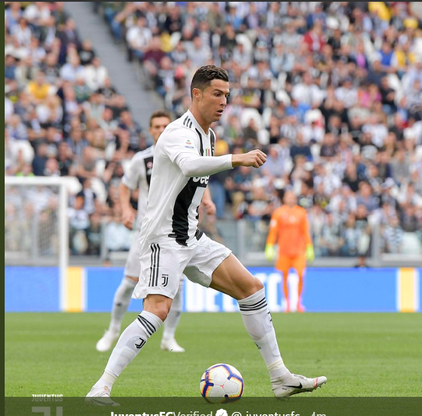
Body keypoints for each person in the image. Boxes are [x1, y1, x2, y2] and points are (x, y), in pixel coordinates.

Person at [86, 65, 326, 405]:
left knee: (252, 289)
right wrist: (236, 159)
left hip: (191, 237)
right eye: (217, 93)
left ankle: (280, 377)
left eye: (227, 95)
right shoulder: (176, 132)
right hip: (163, 238)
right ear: (195, 94)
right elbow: (189, 166)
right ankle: (101, 387)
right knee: (157, 309)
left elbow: (192, 185)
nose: (224, 101)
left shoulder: (208, 136)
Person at [96, 110, 217, 354]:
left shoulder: (184, 151)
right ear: (150, 130)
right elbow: (125, 186)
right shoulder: (142, 160)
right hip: (147, 233)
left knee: (177, 287)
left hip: (176, 233)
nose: (161, 130)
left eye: (165, 125)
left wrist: (207, 200)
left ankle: (169, 338)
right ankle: (112, 329)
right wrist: (126, 209)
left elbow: (198, 176)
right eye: (156, 126)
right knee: (129, 283)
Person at [265, 189, 315, 313]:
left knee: (300, 276)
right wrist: (269, 246)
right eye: (288, 196)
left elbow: (305, 232)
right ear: (284, 198)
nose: (291, 199)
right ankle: (287, 304)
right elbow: (273, 231)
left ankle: (298, 303)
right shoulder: (278, 213)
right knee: (284, 277)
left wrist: (309, 247)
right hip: (284, 251)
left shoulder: (301, 213)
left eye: (293, 197)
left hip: (298, 251)